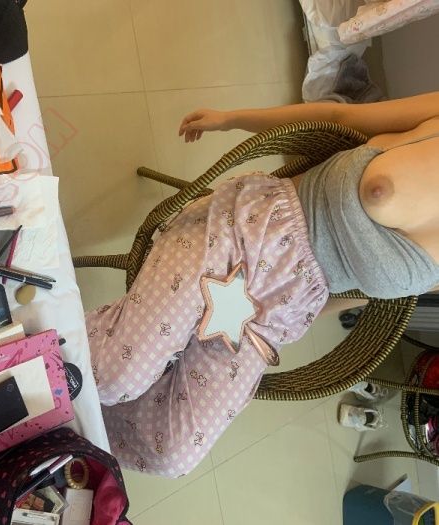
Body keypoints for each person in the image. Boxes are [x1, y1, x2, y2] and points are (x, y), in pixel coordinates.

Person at [86, 92, 439, 478]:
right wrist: (232, 118)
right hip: (245, 230)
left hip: (280, 308)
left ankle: (64, 425)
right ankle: (50, 360)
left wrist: (293, 318)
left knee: (173, 453)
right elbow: (340, 115)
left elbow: (356, 293)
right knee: (116, 376)